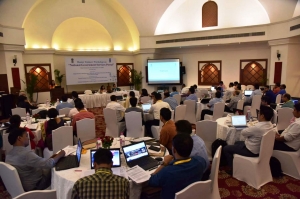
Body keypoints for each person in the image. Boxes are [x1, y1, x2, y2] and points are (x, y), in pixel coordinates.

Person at [148, 134, 207, 199]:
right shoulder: (200, 162)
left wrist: (164, 164)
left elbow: (151, 181)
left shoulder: (167, 172)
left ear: (174, 150)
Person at [223, 106, 274, 174]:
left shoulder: (258, 127)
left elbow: (243, 132)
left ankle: (232, 170)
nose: (258, 115)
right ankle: (238, 163)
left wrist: (247, 127)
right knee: (237, 142)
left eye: (259, 113)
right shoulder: (270, 125)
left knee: (226, 148)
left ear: (262, 116)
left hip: (251, 151)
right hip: (260, 150)